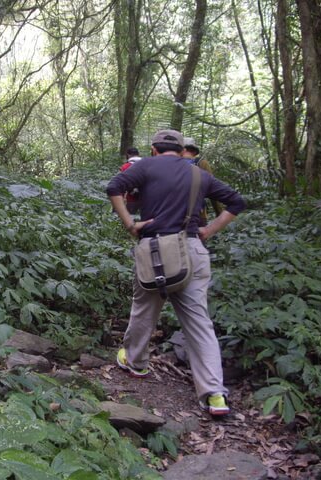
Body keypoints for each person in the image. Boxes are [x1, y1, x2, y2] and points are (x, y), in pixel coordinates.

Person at [106, 129, 246, 417]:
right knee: (199, 321)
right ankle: (214, 394)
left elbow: (114, 188)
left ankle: (136, 362)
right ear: (183, 151)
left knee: (144, 308)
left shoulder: (144, 165)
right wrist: (208, 230)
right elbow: (236, 203)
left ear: (154, 149)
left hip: (155, 249)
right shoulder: (199, 174)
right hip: (192, 249)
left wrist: (130, 224)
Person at [182, 137, 223, 226]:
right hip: (198, 214)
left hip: (173, 215)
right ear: (194, 151)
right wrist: (219, 213)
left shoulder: (173, 163)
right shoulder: (202, 163)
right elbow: (212, 189)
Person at [120, 147, 141, 214]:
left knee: (131, 220)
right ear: (138, 154)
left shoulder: (125, 166)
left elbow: (121, 184)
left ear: (128, 155)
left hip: (131, 199)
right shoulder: (148, 165)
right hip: (147, 199)